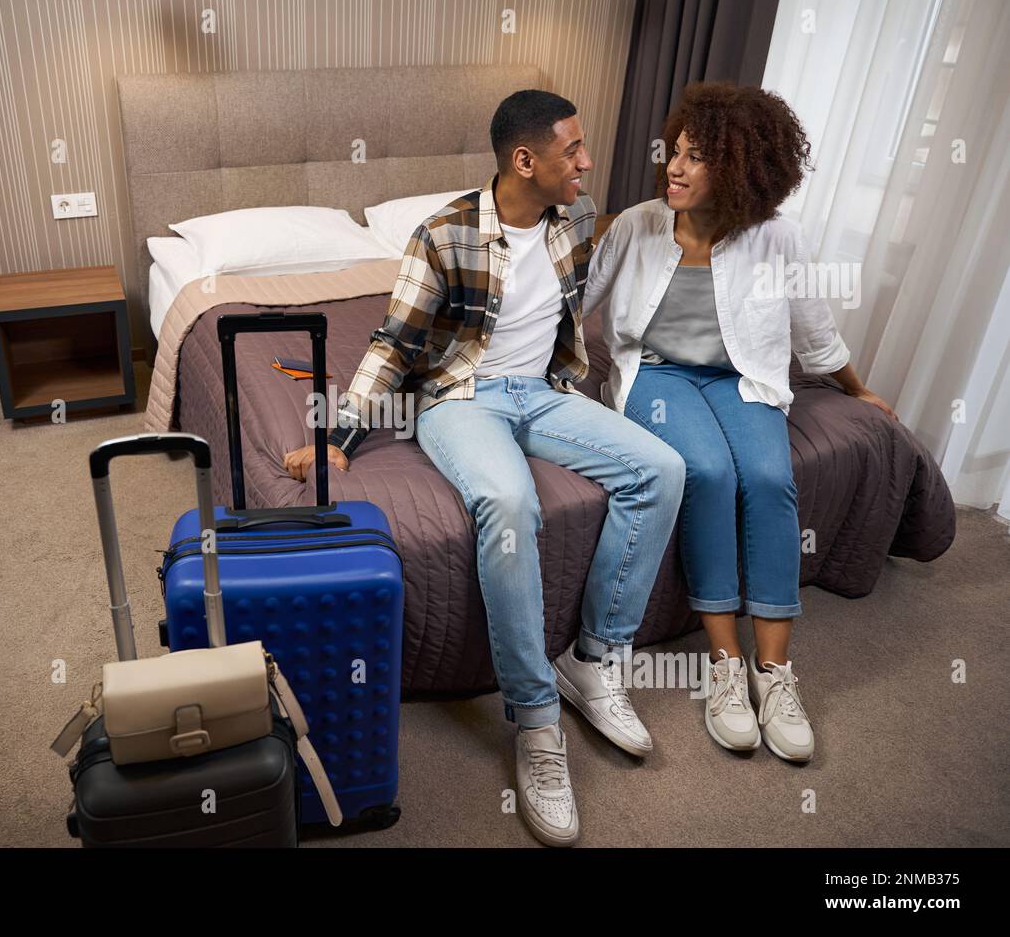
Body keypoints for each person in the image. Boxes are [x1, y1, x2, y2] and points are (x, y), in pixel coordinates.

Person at [284, 90, 686, 846]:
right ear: (524, 160)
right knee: (510, 500)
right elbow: (394, 342)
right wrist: (338, 433)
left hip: (545, 392)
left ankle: (594, 660)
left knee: (662, 469)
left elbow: (606, 283)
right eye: (573, 150)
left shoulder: (578, 217)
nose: (587, 162)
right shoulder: (443, 234)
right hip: (460, 398)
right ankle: (536, 720)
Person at [583, 82, 897, 763]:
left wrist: (859, 389)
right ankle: (726, 666)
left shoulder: (776, 237)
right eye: (677, 152)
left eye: (698, 158)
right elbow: (573, 307)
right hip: (657, 377)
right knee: (708, 472)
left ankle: (775, 672)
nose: (675, 167)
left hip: (741, 376)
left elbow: (814, 331)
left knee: (768, 475)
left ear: (742, 171)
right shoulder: (638, 225)